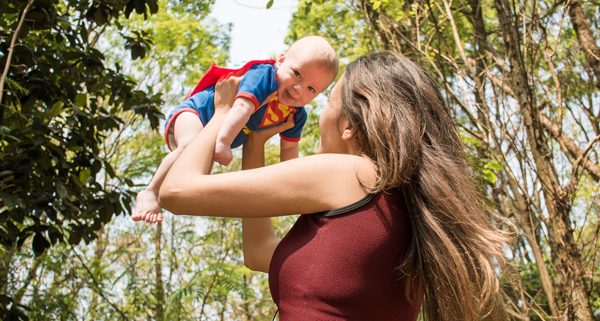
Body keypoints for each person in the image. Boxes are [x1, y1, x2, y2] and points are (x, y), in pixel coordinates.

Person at [157, 51, 508, 320]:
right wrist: (255, 141)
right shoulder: (399, 205)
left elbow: (177, 191)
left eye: (326, 101)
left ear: (348, 127)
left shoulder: (350, 173)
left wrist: (221, 113)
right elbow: (260, 252)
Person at [132, 35, 339, 223]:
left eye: (311, 89)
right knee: (189, 146)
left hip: (215, 133)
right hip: (197, 113)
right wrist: (223, 142)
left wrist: (297, 187)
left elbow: (290, 152)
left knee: (197, 175)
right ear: (281, 61)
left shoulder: (296, 115)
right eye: (297, 74)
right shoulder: (264, 76)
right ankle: (151, 191)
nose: (298, 89)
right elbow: (241, 107)